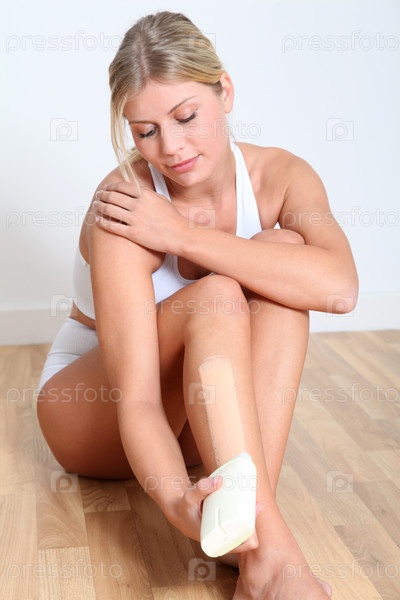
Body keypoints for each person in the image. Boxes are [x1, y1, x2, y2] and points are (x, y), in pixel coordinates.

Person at [37, 11, 358, 599]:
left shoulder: (280, 176)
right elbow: (136, 398)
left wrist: (182, 235)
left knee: (285, 259)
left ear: (225, 92)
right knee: (216, 296)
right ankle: (270, 560)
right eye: (146, 131)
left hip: (197, 412)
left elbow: (339, 288)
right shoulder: (124, 205)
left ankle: (245, 533)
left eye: (186, 117)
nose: (172, 147)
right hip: (93, 411)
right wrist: (174, 501)